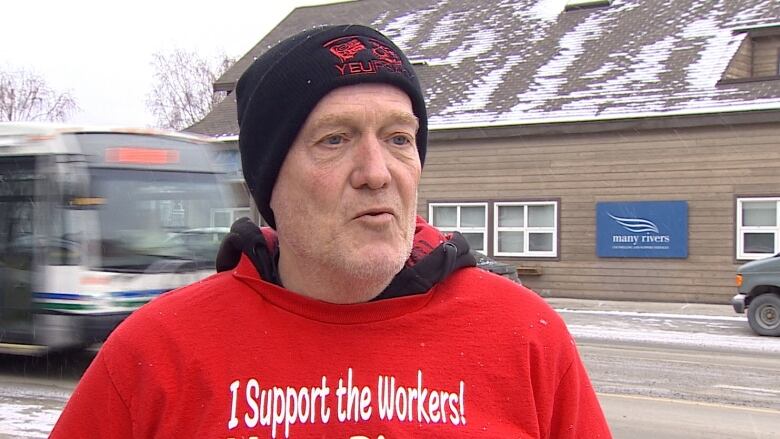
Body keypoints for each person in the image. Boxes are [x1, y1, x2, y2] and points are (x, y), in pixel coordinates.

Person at [51, 24, 612, 438]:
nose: (377, 173)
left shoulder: (526, 337)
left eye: (398, 138)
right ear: (270, 182)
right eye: (334, 140)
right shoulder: (158, 352)